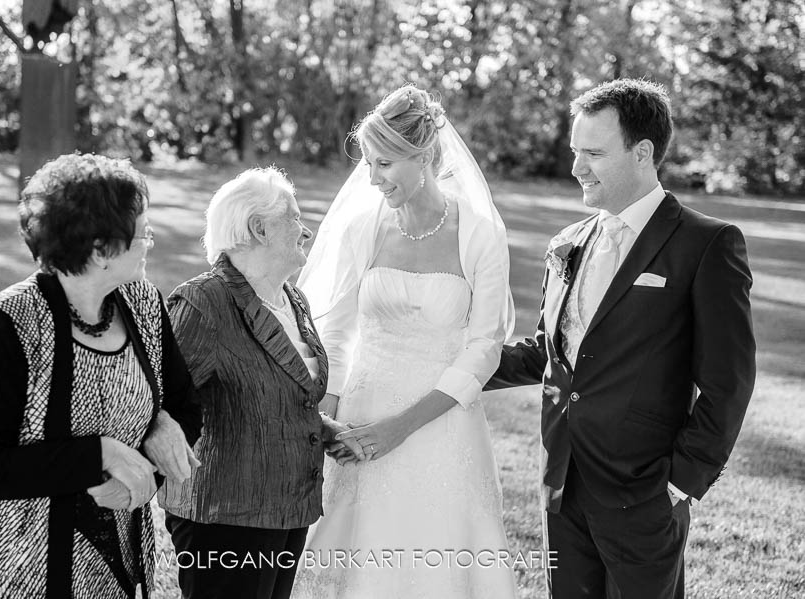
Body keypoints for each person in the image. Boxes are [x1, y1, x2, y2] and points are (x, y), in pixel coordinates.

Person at [487, 78, 756, 598]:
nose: (575, 168)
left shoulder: (706, 244)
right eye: (574, 151)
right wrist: (454, 365)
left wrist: (682, 482)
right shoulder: (567, 242)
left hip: (646, 490)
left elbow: (729, 380)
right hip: (562, 480)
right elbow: (552, 349)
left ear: (643, 153)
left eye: (592, 153)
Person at [291, 84, 519, 598]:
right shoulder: (363, 226)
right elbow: (337, 331)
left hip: (441, 424)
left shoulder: (479, 234)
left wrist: (401, 427)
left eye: (386, 164)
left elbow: (483, 348)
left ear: (424, 157)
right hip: (360, 418)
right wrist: (325, 420)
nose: (373, 179)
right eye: (369, 164)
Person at [0, 153, 202, 599]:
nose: (151, 243)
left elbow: (185, 409)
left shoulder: (142, 303)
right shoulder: (14, 321)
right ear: (101, 249)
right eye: (143, 234)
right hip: (19, 564)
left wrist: (147, 457)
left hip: (115, 558)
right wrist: (101, 454)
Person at [159, 166, 364, 599]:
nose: (305, 230)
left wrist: (321, 427)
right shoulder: (203, 301)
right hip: (226, 516)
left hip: (289, 509)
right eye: (293, 217)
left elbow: (276, 389)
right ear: (259, 228)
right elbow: (162, 403)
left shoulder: (292, 299)